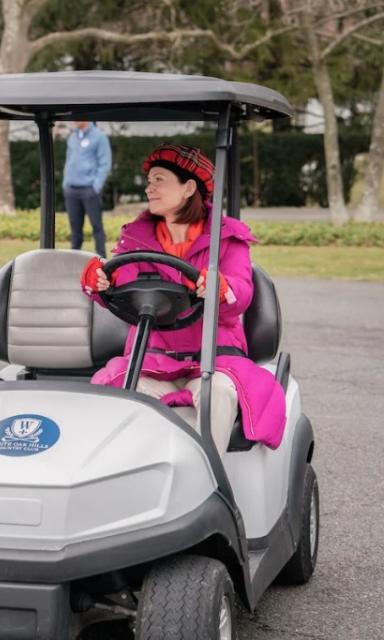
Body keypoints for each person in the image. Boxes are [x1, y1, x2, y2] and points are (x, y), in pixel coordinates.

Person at [80, 143, 286, 454]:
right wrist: (101, 283)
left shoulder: (228, 238)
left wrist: (221, 286)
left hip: (215, 359)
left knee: (216, 394)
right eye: (149, 180)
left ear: (189, 187)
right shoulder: (136, 237)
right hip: (151, 359)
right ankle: (130, 479)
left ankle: (208, 484)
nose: (149, 188)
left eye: (159, 180)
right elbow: (125, 288)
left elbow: (241, 294)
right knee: (116, 394)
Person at [63, 121, 112, 257]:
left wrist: (96, 186)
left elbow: (105, 164)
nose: (73, 120)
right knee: (75, 229)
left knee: (96, 226)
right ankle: (74, 257)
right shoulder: (72, 137)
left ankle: (102, 259)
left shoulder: (99, 137)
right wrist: (66, 183)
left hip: (89, 190)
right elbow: (68, 161)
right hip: (71, 190)